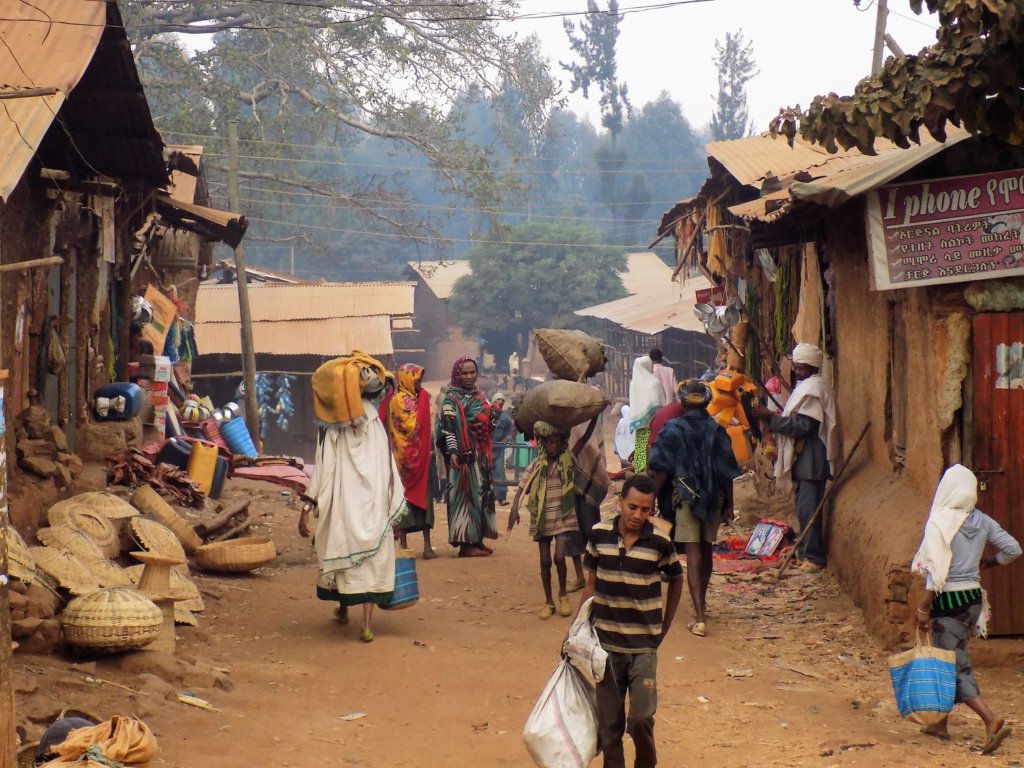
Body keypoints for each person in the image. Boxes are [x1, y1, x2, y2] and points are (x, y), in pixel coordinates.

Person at [570, 474, 684, 768]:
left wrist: (665, 625)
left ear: (652, 510)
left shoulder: (659, 542)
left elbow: (676, 578)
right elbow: (590, 585)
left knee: (641, 717)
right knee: (610, 723)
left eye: (645, 510)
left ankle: (647, 762)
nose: (638, 515)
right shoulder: (598, 535)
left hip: (643, 646)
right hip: (606, 646)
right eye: (632, 507)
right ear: (620, 503)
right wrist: (576, 629)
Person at [912, 464, 1020, 754]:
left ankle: (991, 719)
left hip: (947, 601)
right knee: (951, 659)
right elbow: (1013, 549)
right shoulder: (982, 521)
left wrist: (923, 606)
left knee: (953, 666)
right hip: (973, 600)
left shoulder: (940, 522)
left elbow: (937, 571)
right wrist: (989, 563)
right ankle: (939, 724)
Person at [299, 353, 404, 642]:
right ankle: (366, 625)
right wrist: (393, 507)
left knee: (344, 556)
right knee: (371, 563)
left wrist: (308, 504)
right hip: (374, 508)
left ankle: (344, 608)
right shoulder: (377, 427)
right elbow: (389, 469)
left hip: (345, 506)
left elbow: (324, 467)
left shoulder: (334, 429)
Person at [649, 379, 741, 637]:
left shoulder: (663, 423)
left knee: (692, 552)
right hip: (714, 497)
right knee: (706, 549)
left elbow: (657, 464)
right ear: (707, 401)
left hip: (686, 496)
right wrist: (729, 505)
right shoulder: (717, 430)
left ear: (681, 401)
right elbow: (727, 472)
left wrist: (649, 498)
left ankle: (699, 614)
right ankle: (702, 603)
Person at [750, 343, 839, 573]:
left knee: (809, 510)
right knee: (803, 509)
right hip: (804, 462)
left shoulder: (814, 388)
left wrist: (770, 418)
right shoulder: (808, 386)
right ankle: (805, 551)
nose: (796, 372)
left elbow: (803, 426)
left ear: (810, 366)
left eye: (799, 368)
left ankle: (813, 556)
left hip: (811, 461)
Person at [439, 356, 499, 557]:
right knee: (466, 498)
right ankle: (466, 544)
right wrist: (453, 452)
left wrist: (495, 411)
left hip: (481, 455)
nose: (469, 376)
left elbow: (489, 425)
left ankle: (478, 539)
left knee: (482, 495)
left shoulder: (480, 396)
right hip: (464, 457)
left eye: (472, 372)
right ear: (457, 374)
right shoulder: (451, 398)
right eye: (464, 373)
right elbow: (448, 428)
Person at [379, 364, 437, 559]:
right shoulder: (401, 401)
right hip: (410, 462)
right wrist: (423, 400)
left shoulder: (394, 400)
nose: (420, 384)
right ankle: (417, 546)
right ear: (407, 380)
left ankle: (420, 546)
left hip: (403, 462)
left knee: (412, 502)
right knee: (411, 503)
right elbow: (413, 426)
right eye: (417, 380)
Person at [628, 355, 667, 473]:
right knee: (653, 448)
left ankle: (640, 476)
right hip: (654, 421)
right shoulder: (655, 383)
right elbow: (662, 403)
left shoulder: (634, 383)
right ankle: (653, 475)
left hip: (639, 421)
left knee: (640, 450)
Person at [491, 393, 515, 507]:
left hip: (499, 448)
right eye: (498, 399)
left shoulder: (506, 418)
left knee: (499, 471)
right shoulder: (487, 414)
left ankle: (501, 497)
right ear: (493, 401)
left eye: (502, 400)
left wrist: (505, 438)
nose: (500, 401)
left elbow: (508, 431)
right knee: (484, 472)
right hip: (486, 447)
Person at [613, 404, 635, 469]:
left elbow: (618, 432)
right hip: (633, 450)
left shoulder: (622, 421)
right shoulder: (635, 421)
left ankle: (624, 472)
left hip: (623, 449)